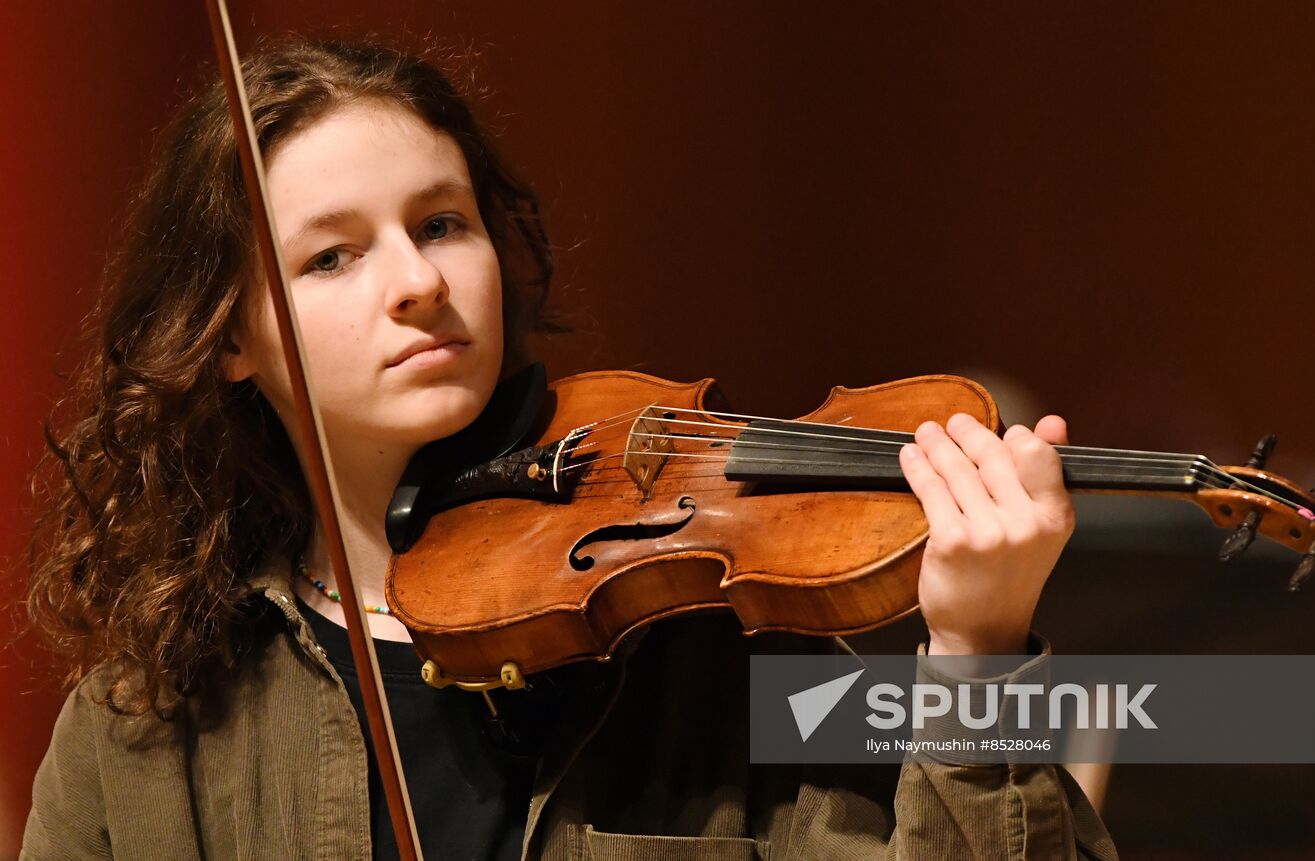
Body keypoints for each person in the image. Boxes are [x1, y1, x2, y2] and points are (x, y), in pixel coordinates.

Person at [21, 38, 1117, 860]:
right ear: (224, 342)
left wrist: (976, 654)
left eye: (443, 224)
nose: (417, 282)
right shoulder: (146, 729)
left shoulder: (704, 645)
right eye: (331, 257)